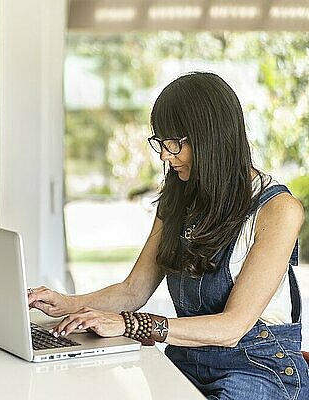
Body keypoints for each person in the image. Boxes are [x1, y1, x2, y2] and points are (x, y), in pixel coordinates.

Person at [28, 72, 308, 399]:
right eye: (160, 142)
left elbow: (232, 328)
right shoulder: (178, 197)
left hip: (258, 368)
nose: (164, 155)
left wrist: (131, 324)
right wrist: (67, 304)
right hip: (187, 359)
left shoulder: (278, 211)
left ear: (210, 138)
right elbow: (134, 290)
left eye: (173, 143)